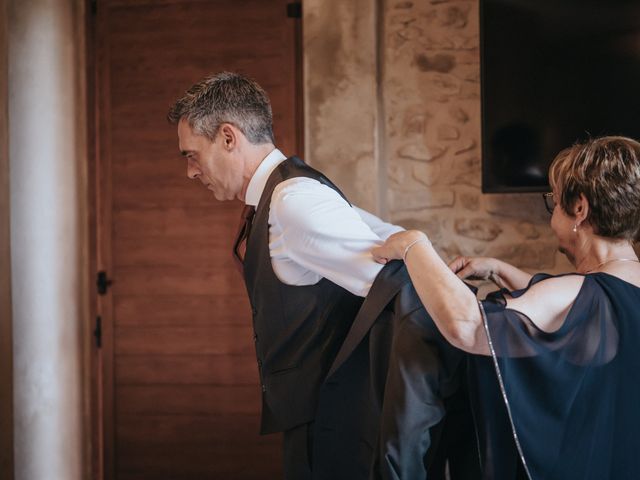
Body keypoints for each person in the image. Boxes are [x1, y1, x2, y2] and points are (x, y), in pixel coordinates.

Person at [167, 72, 479, 480]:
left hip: (338, 427)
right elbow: (383, 237)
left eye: (191, 154)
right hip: (317, 419)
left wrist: (464, 315)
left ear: (229, 137)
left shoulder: (294, 201)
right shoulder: (290, 194)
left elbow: (398, 286)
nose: (191, 171)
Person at [373, 135, 640, 479]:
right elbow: (576, 311)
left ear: (580, 209)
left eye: (554, 203)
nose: (551, 216)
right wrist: (500, 269)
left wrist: (414, 245)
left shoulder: (578, 294)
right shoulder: (616, 289)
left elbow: (467, 328)